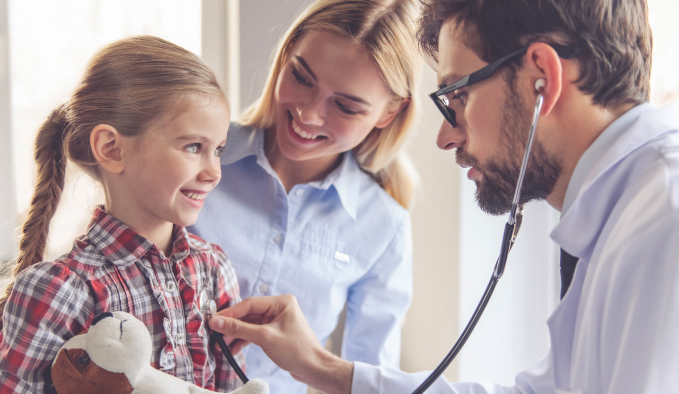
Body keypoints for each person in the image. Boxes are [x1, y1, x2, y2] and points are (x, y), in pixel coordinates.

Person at [207, 0, 679, 393]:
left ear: (542, 79)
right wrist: (323, 369)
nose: (445, 138)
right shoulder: (624, 215)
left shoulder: (664, 217)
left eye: (458, 97)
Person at [0, 36, 242, 393]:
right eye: (194, 147)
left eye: (218, 150)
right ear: (111, 149)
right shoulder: (59, 291)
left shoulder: (214, 269)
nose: (213, 171)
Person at [188, 1, 420, 392]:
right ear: (286, 55)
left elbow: (368, 377)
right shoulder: (197, 155)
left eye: (345, 106)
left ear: (389, 113)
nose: (309, 114)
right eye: (301, 77)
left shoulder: (384, 226)